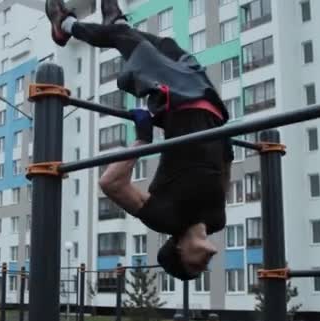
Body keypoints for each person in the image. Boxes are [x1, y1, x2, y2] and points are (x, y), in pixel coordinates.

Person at [45, 0, 234, 280]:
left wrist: (142, 141)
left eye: (195, 265)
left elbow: (111, 183)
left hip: (177, 100)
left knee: (128, 42)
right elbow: (224, 171)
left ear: (179, 248)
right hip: (210, 105)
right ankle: (115, 21)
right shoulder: (217, 220)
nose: (204, 263)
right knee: (166, 45)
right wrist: (225, 140)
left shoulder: (165, 219)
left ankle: (65, 26)